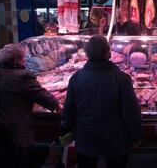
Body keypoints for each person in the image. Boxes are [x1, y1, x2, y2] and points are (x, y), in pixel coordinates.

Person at [61, 35, 142, 168]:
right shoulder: (122, 79)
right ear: (108, 53)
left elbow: (68, 109)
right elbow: (131, 112)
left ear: (87, 54)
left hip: (85, 137)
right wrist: (136, 135)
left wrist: (66, 129)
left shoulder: (76, 78)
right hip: (115, 139)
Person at [0, 43, 60, 168]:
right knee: (23, 158)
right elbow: (42, 95)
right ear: (17, 60)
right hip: (16, 128)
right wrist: (58, 106)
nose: (25, 61)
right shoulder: (22, 76)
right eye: (24, 58)